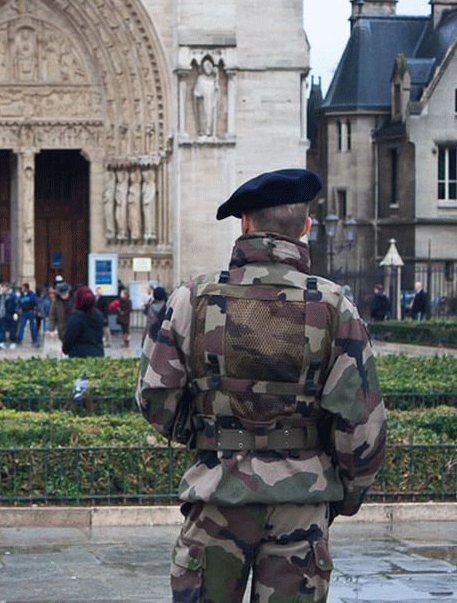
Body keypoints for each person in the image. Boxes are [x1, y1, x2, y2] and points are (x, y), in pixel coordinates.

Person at [137, 168, 386, 602]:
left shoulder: (192, 298)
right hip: (301, 501)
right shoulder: (333, 305)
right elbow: (361, 422)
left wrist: (209, 438)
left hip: (218, 495)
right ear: (306, 228)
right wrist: (346, 492)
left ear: (245, 223)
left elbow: (155, 395)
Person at [61, 286, 105, 358]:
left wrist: (65, 349)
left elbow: (67, 343)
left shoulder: (75, 318)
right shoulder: (99, 315)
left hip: (79, 358)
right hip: (98, 355)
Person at [14, 282, 39, 347]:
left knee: (33, 326)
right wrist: (18, 310)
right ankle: (19, 338)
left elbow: (35, 302)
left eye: (22, 287)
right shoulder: (21, 295)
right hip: (24, 312)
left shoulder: (32, 294)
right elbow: (18, 303)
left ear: (26, 288)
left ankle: (34, 339)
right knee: (21, 325)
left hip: (31, 312)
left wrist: (35, 309)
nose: (21, 289)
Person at [0, 282, 18, 350]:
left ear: (7, 288)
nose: (2, 289)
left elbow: (16, 304)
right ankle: (2, 342)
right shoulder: (1, 295)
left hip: (10, 314)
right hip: (2, 315)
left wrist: (16, 312)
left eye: (3, 287)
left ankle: (13, 342)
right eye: (1, 287)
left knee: (12, 329)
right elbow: (0, 305)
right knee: (2, 329)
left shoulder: (12, 295)